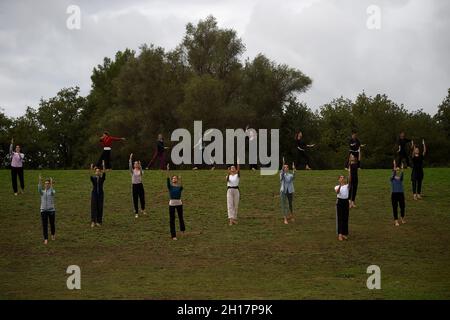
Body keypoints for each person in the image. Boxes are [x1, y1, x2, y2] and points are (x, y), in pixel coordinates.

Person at [166, 164, 185, 240]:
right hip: (172, 204)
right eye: (173, 178)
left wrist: (181, 179)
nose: (174, 179)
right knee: (172, 219)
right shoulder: (170, 186)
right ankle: (173, 235)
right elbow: (167, 178)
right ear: (172, 180)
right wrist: (168, 170)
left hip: (179, 203)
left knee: (181, 217)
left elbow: (182, 185)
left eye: (175, 178)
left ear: (177, 180)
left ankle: (182, 230)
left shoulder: (179, 187)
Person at [38, 175, 56, 245]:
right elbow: (39, 189)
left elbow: (52, 192)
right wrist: (40, 181)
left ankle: (53, 234)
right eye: (45, 183)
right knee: (44, 225)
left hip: (51, 211)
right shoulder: (42, 192)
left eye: (48, 183)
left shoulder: (52, 191)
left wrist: (51, 183)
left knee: (52, 224)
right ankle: (45, 239)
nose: (46, 185)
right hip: (43, 211)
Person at [334, 172, 351, 241]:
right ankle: (340, 234)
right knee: (340, 218)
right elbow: (337, 192)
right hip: (340, 202)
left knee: (345, 218)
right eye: (341, 178)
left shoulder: (347, 186)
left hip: (346, 202)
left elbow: (350, 181)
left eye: (343, 177)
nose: (342, 179)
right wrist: (340, 185)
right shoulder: (337, 187)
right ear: (338, 180)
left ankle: (344, 233)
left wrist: (350, 173)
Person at [129, 153, 146, 218]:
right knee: (135, 199)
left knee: (142, 198)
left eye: (137, 163)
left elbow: (142, 173)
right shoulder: (132, 171)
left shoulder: (140, 170)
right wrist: (130, 159)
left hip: (140, 185)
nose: (135, 164)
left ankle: (143, 209)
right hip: (134, 186)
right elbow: (130, 166)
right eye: (135, 163)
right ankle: (136, 212)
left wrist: (140, 165)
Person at [90, 161, 106, 227]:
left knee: (100, 207)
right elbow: (90, 175)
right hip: (94, 194)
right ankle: (93, 221)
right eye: (96, 171)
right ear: (95, 172)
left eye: (99, 171)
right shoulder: (93, 179)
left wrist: (103, 165)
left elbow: (104, 173)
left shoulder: (102, 179)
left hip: (100, 195)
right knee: (94, 207)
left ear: (100, 173)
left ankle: (99, 221)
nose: (98, 172)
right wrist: (91, 168)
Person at [390, 160, 406, 226]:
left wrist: (402, 168)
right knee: (395, 207)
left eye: (398, 170)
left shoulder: (400, 178)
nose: (397, 171)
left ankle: (402, 218)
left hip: (401, 194)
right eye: (396, 170)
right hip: (394, 194)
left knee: (402, 207)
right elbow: (393, 174)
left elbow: (402, 175)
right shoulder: (392, 178)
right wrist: (394, 165)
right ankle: (396, 220)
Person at [226, 161, 241, 226]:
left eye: (233, 167)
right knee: (230, 204)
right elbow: (227, 180)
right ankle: (231, 220)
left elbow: (239, 170)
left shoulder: (237, 175)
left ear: (235, 169)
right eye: (231, 168)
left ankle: (234, 219)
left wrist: (238, 163)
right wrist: (228, 172)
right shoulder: (228, 176)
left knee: (235, 205)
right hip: (229, 190)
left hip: (236, 190)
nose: (232, 168)